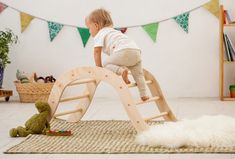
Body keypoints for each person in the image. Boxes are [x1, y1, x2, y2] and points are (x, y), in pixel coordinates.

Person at [85, 8, 149, 101]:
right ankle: (144, 94)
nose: (89, 31)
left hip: (123, 51)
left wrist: (99, 68)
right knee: (139, 75)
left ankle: (121, 71)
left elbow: (97, 51)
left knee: (106, 64)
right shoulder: (113, 31)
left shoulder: (100, 34)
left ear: (96, 25)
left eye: (89, 28)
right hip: (136, 51)